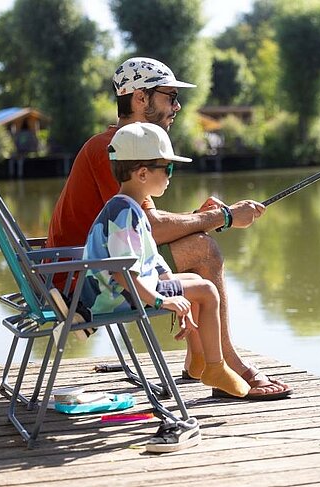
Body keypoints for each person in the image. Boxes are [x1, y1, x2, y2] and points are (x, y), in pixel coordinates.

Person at [47, 57, 291, 400]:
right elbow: (151, 226)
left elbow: (142, 228)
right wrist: (223, 217)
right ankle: (222, 361)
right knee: (203, 248)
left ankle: (199, 359)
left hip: (90, 267)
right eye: (169, 96)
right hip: (83, 281)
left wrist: (196, 218)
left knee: (197, 239)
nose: (177, 106)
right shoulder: (113, 148)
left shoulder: (128, 146)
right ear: (139, 98)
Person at [82, 122, 251, 451]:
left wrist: (170, 286)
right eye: (167, 167)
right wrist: (161, 300)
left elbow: (151, 259)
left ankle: (203, 360)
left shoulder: (131, 206)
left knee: (197, 284)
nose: (171, 175)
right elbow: (123, 271)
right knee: (208, 291)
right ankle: (215, 367)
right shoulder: (123, 211)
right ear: (142, 173)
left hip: (128, 289)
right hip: (116, 297)